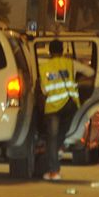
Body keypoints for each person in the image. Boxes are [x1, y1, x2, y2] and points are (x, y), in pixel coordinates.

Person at [39, 39, 95, 181]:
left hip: (53, 107)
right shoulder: (70, 63)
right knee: (60, 135)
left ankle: (54, 171)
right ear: (62, 50)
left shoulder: (44, 67)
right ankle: (57, 151)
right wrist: (78, 81)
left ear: (50, 52)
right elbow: (91, 72)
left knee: (52, 138)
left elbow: (44, 90)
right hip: (70, 105)